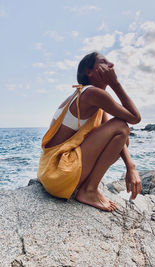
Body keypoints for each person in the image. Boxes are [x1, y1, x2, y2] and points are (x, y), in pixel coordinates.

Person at [37, 52, 142, 212]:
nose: (111, 65)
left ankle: (87, 187)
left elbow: (118, 138)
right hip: (60, 173)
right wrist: (115, 83)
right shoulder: (93, 94)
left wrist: (131, 167)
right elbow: (134, 118)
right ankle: (89, 191)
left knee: (123, 138)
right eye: (104, 62)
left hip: (50, 171)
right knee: (121, 126)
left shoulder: (86, 95)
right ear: (89, 71)